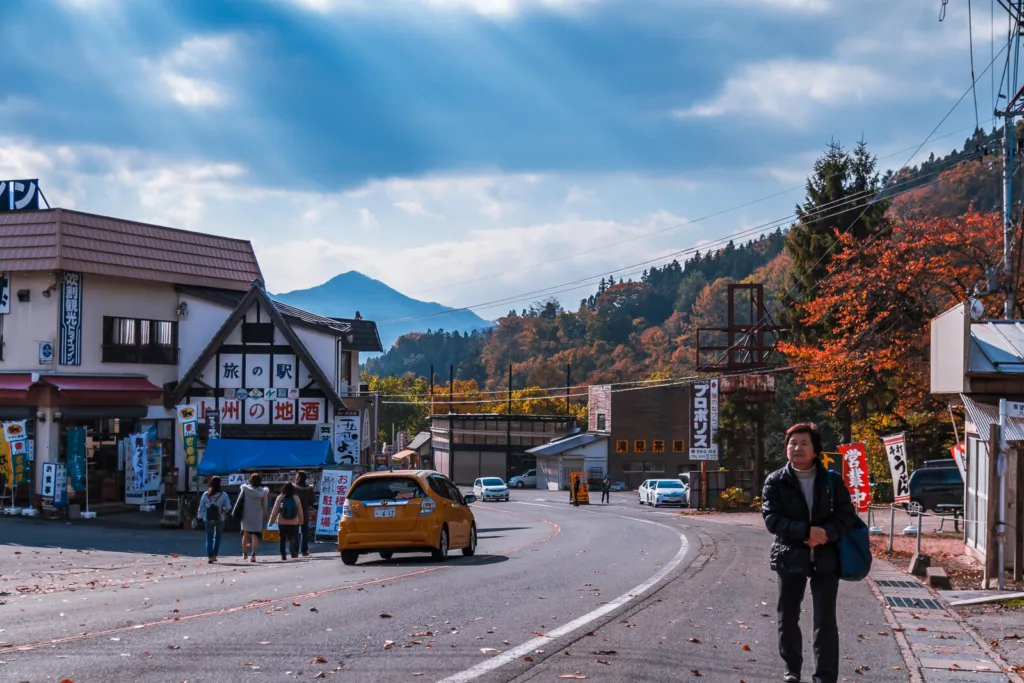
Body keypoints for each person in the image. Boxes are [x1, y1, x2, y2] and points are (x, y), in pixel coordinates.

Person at [761, 423, 858, 683]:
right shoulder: (776, 481)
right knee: (788, 617)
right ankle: (792, 670)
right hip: (789, 556)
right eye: (792, 443)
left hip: (826, 558)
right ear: (786, 448)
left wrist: (824, 533)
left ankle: (825, 677)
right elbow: (771, 519)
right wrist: (806, 532)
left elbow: (846, 516)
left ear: (816, 450)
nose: (797, 448)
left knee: (825, 620)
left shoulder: (831, 481)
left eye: (804, 443)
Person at [234, 473, 269, 563]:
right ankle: (253, 555)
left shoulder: (245, 489)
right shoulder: (263, 492)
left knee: (245, 535)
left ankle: (245, 553)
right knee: (255, 536)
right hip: (257, 515)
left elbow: (239, 501)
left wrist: (236, 511)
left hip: (246, 514)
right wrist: (263, 513)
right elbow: (265, 505)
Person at [268, 482, 305, 561]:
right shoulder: (296, 498)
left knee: (282, 538)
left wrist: (270, 522)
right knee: (293, 537)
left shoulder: (280, 497)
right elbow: (300, 511)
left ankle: (283, 555)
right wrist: (301, 521)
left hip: (282, 522)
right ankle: (293, 552)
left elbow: (275, 511)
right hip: (293, 522)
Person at [197, 476, 230, 563]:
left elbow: (201, 507)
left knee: (209, 537)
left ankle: (210, 556)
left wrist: (200, 516)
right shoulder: (224, 495)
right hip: (220, 518)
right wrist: (222, 510)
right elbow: (228, 507)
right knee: (218, 537)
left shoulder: (205, 494)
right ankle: (215, 554)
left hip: (207, 518)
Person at [293, 471, 316, 557]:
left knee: (295, 532)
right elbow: (312, 502)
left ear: (301, 478)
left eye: (297, 477)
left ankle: (295, 551)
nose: (296, 478)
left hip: (294, 513)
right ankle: (304, 550)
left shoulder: (293, 488)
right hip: (304, 513)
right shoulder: (309, 489)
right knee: (304, 532)